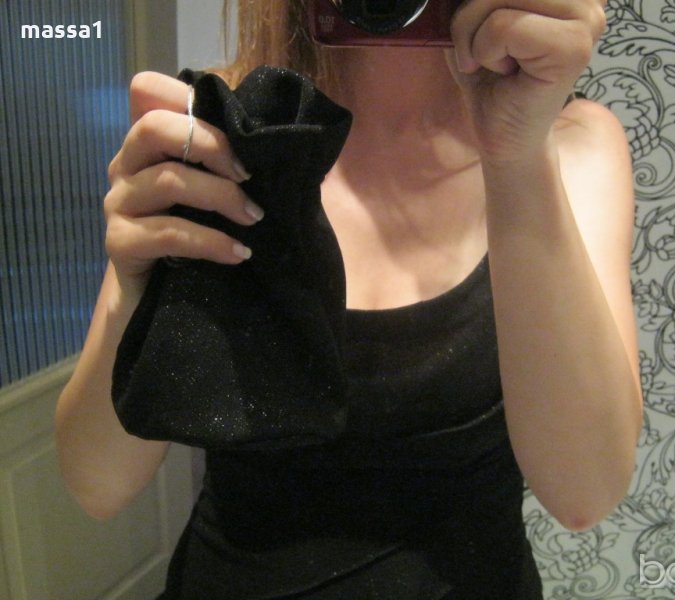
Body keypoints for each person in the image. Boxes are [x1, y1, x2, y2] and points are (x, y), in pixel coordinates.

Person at [56, 0, 643, 597]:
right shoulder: (222, 128)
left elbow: (584, 493)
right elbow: (97, 484)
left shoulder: (568, 144)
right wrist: (133, 284)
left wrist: (518, 153)